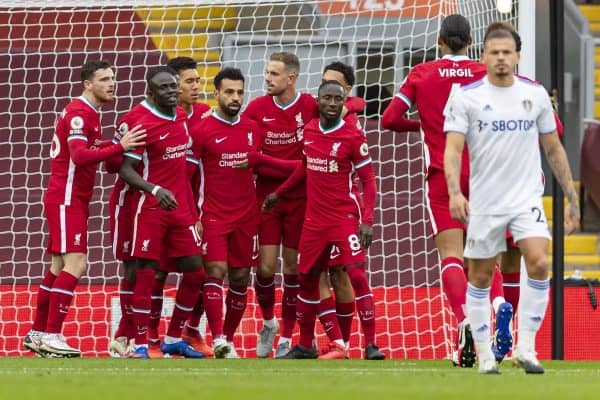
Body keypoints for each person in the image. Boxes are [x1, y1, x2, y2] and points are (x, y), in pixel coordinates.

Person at [443, 22, 579, 374]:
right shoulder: (466, 96)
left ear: (518, 56)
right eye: (494, 52)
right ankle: (485, 354)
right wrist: (455, 193)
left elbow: (554, 149)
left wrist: (571, 196)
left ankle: (527, 348)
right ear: (484, 56)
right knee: (481, 277)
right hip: (485, 202)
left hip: (525, 200)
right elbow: (453, 150)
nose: (501, 58)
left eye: (507, 52)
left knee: (539, 262)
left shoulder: (533, 95)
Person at [381, 14, 512, 367]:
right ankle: (500, 306)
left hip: (443, 176)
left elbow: (389, 119)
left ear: (439, 41)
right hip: (486, 175)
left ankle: (466, 321)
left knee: (451, 257)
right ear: (471, 41)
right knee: (485, 255)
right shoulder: (484, 71)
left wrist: (423, 123)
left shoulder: (422, 74)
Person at [243, 52, 365, 358]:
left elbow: (354, 104)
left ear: (291, 78)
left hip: (306, 202)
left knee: (298, 270)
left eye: (273, 73)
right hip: (269, 199)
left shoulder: (311, 104)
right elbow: (252, 156)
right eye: (267, 72)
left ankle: (289, 335)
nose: (267, 78)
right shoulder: (257, 108)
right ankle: (269, 322)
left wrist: (349, 103)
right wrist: (299, 165)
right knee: (266, 267)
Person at [23, 60, 146, 358]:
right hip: (67, 198)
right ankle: (52, 335)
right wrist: (120, 146)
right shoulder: (80, 113)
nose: (111, 83)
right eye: (104, 79)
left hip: (68, 198)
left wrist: (113, 143)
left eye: (113, 78)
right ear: (87, 84)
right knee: (77, 263)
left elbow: (87, 148)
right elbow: (79, 156)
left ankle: (38, 332)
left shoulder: (88, 113)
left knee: (57, 266)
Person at [263, 80, 377, 359]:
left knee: (357, 275)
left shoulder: (352, 136)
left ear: (343, 102)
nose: (331, 104)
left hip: (343, 218)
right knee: (306, 278)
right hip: (314, 221)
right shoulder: (311, 130)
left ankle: (371, 344)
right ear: (319, 100)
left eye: (337, 99)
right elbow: (304, 167)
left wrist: (367, 221)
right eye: (326, 98)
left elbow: (369, 181)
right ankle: (304, 344)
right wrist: (279, 193)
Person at [118, 66, 206, 359]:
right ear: (151, 93)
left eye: (173, 86)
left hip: (181, 210)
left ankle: (171, 339)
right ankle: (140, 344)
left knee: (196, 272)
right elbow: (125, 169)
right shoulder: (141, 123)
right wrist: (154, 189)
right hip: (152, 209)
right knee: (147, 275)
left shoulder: (181, 117)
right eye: (164, 88)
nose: (170, 91)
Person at [187, 67, 262, 358]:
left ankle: (228, 340)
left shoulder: (253, 128)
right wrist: (194, 215)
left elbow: (263, 165)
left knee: (241, 277)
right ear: (216, 93)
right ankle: (217, 337)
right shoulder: (202, 131)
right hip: (213, 215)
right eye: (229, 92)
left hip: (247, 216)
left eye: (240, 92)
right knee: (215, 272)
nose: (235, 97)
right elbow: (188, 177)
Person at [145, 56, 214, 358]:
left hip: (195, 208)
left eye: (198, 81)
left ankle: (185, 331)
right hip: (161, 207)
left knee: (200, 271)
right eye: (189, 81)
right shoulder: (159, 118)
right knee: (157, 273)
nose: (196, 87)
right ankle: (150, 337)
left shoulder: (204, 115)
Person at [318, 61, 384, 360]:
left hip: (345, 206)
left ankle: (368, 343)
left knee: (350, 274)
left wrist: (366, 219)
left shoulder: (351, 120)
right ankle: (340, 344)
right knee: (321, 274)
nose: (328, 92)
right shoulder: (317, 114)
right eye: (323, 85)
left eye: (335, 87)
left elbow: (360, 101)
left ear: (345, 91)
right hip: (314, 207)